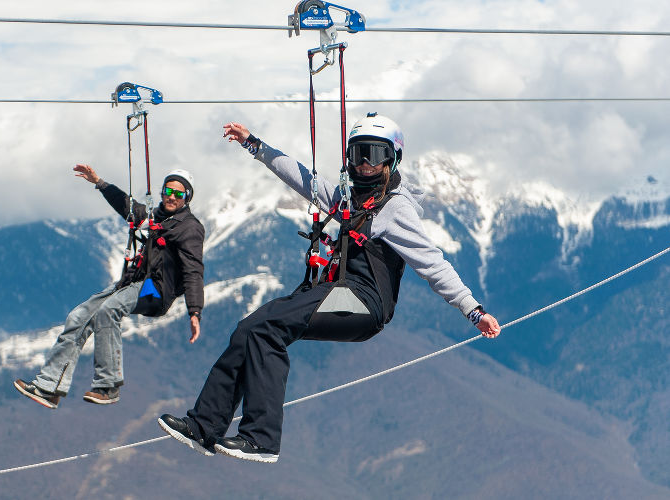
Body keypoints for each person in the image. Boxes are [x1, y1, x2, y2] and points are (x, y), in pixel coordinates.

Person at [158, 113, 500, 463]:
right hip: (338, 293)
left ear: (392, 158)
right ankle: (204, 427)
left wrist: (473, 311)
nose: (364, 164)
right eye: (357, 153)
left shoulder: (395, 208)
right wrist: (254, 145)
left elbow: (432, 264)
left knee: (268, 328)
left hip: (364, 303)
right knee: (249, 329)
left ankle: (261, 438)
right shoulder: (349, 199)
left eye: (374, 155)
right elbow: (302, 179)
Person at [14, 165, 205, 408]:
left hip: (156, 290)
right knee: (79, 316)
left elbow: (193, 270)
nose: (171, 197)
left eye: (178, 193)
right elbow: (126, 206)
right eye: (168, 191)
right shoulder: (154, 216)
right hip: (133, 282)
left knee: (108, 310)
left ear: (187, 197)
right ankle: (49, 387)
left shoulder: (189, 227)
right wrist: (99, 182)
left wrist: (195, 311)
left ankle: (108, 385)